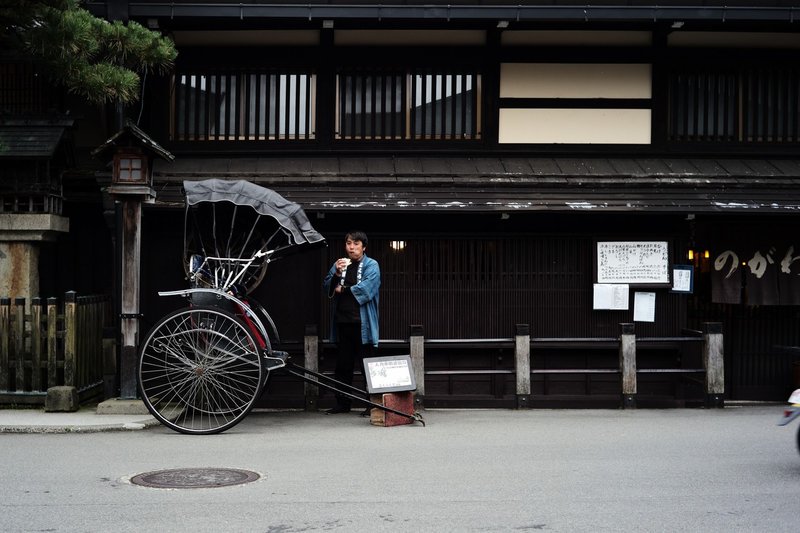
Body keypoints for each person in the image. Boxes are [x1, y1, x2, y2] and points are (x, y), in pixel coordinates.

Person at [322, 231, 381, 415]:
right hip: (343, 322)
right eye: (348, 243)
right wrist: (336, 274)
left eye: (356, 244)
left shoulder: (372, 265)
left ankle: (372, 404)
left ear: (364, 247)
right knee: (343, 366)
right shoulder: (340, 264)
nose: (352, 247)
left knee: (367, 366)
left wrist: (344, 288)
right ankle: (342, 403)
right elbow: (327, 287)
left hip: (363, 324)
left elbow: (368, 288)